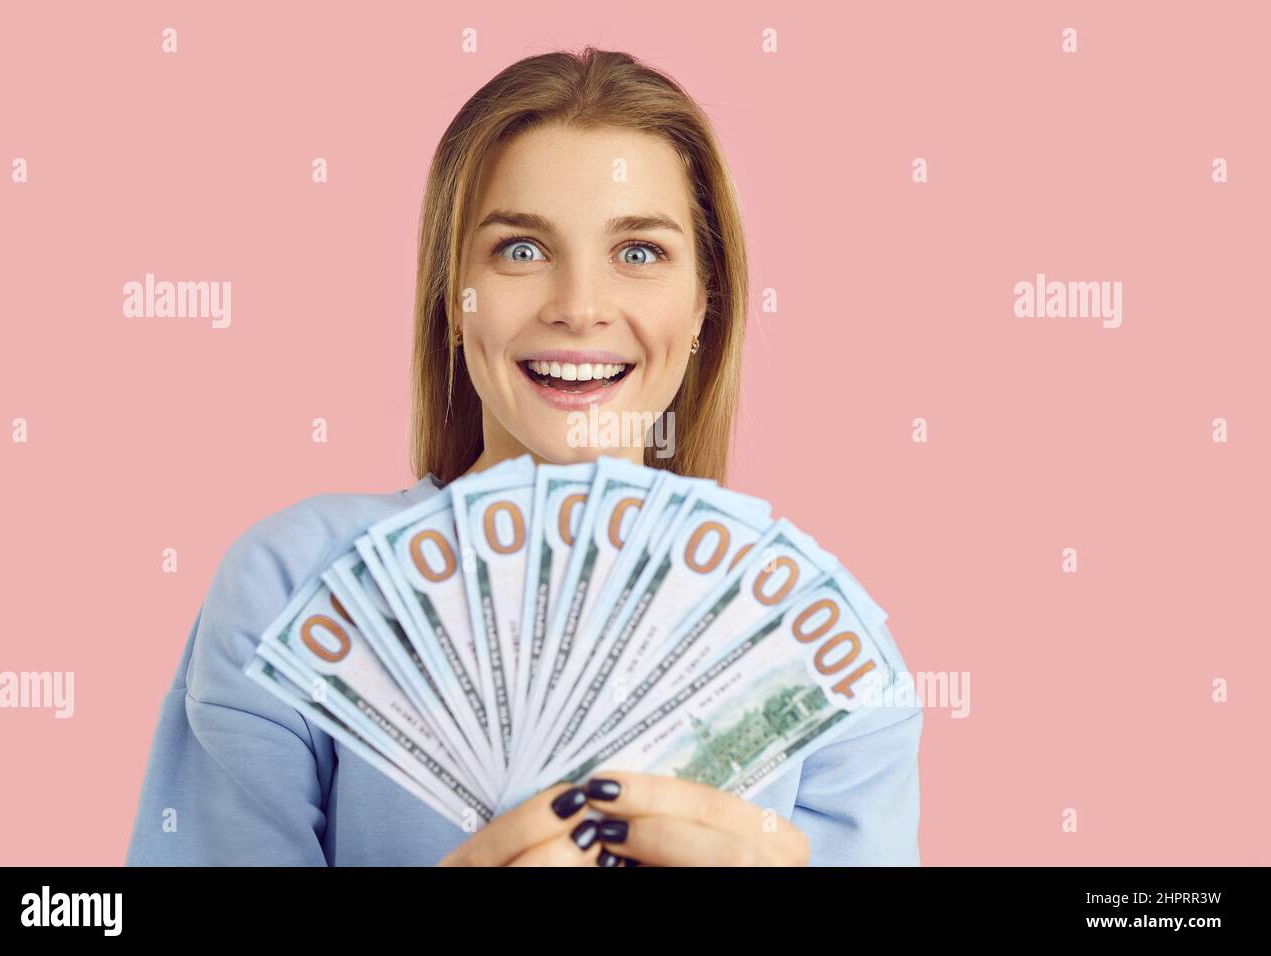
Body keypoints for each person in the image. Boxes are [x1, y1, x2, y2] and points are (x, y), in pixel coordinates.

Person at [126, 46, 923, 867]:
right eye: (520, 250)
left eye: (640, 253)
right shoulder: (292, 586)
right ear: (452, 301)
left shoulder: (822, 646)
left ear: (702, 309)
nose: (579, 309)